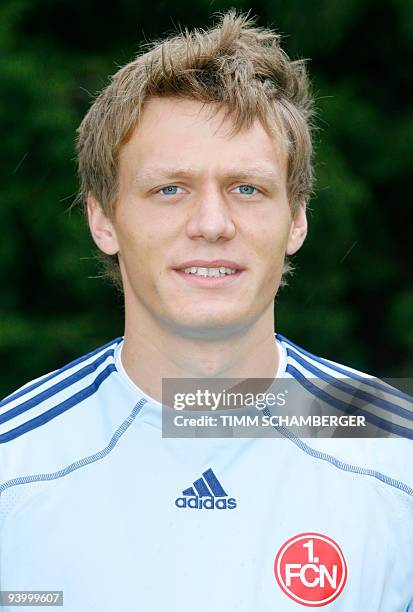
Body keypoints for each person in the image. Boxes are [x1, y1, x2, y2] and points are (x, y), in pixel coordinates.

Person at [0, 10, 412, 611]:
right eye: (170, 189)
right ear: (103, 219)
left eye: (247, 188)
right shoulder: (15, 469)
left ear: (296, 218)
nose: (212, 225)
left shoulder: (397, 453)